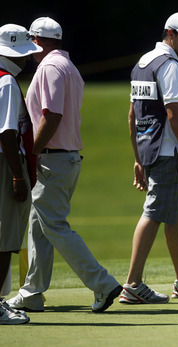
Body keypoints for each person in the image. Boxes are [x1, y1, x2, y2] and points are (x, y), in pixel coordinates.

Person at [7, 17, 122, 314]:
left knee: (55, 226)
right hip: (64, 158)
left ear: (36, 41)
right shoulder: (69, 66)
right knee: (40, 227)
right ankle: (32, 293)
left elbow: (52, 114)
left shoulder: (48, 67)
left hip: (51, 159)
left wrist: (30, 152)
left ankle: (103, 283)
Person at [119, 11, 178, 305]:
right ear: (170, 33)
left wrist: (137, 157)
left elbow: (134, 114)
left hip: (149, 149)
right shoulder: (170, 65)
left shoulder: (142, 63)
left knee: (176, 215)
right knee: (155, 213)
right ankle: (133, 284)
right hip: (168, 152)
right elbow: (174, 114)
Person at [0, 23, 42, 325]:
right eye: (24, 54)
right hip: (6, 164)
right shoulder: (7, 83)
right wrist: (17, 176)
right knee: (7, 239)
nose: (28, 59)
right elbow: (7, 134)